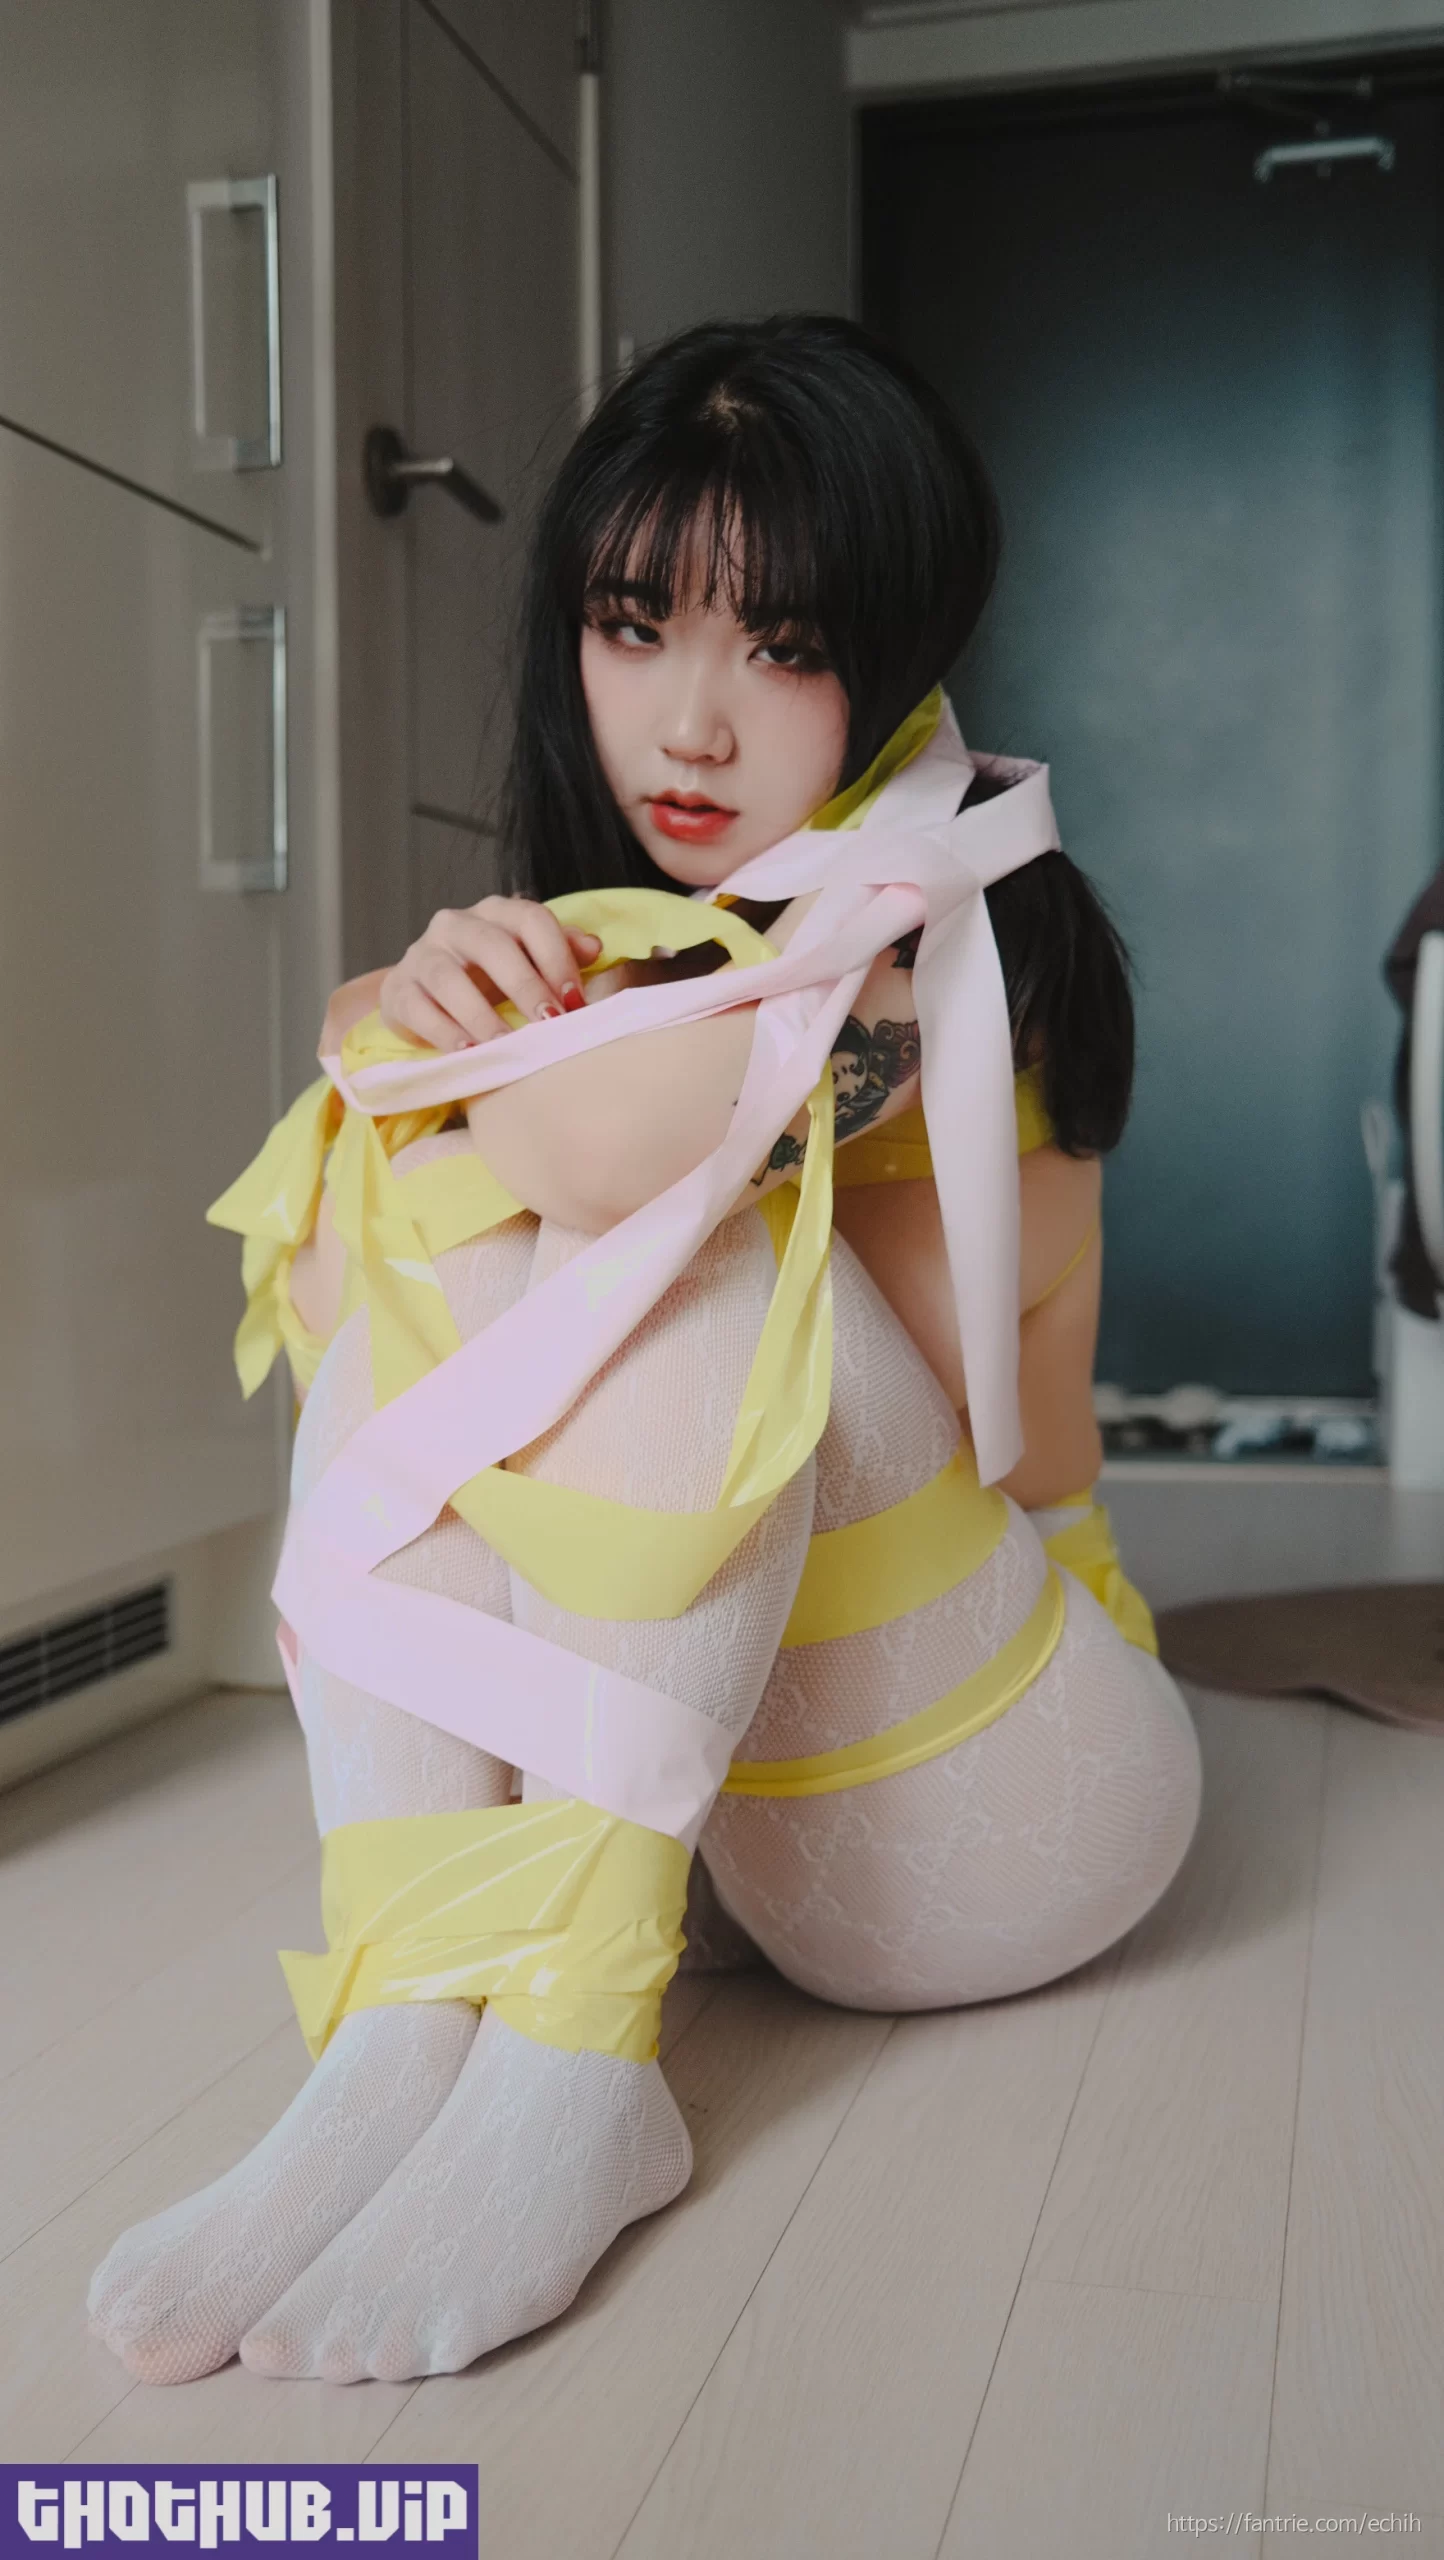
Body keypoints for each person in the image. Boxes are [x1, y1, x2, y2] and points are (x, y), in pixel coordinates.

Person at [86, 316, 1201, 2388]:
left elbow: (609, 1156)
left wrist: (417, 1032)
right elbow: (344, 1273)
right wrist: (411, 1007)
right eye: (630, 625)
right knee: (424, 1224)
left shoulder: (948, 935)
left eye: (782, 645)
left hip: (997, 1794)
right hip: (711, 1831)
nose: (688, 723)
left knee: (655, 1243)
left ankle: (574, 2065)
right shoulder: (658, 949)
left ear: (895, 651)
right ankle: (413, 2019)